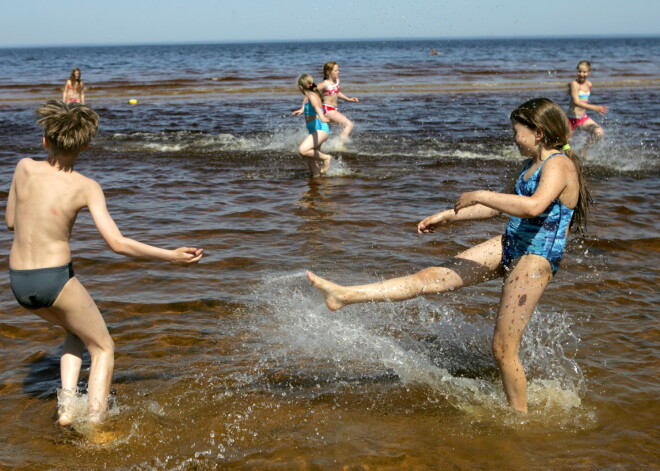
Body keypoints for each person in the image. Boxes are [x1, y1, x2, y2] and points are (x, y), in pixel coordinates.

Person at [307, 97, 592, 413]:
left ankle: (519, 419)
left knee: (502, 348)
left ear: (537, 132)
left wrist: (480, 193)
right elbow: (496, 207)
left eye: (517, 131)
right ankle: (344, 295)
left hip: (536, 259)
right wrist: (449, 215)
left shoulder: (559, 164)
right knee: (428, 278)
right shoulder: (530, 165)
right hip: (510, 242)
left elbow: (533, 206)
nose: (513, 138)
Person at [5, 100, 203, 426]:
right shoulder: (87, 187)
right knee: (103, 347)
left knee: (75, 330)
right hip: (54, 279)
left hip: (20, 282)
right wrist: (171, 255)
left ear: (45, 139)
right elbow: (118, 244)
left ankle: (68, 406)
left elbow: (11, 221)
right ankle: (95, 426)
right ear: (85, 144)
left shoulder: (23, 167)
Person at [291, 74, 332, 176]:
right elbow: (307, 103)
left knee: (302, 150)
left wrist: (322, 117)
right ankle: (317, 179)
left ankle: (326, 158)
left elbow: (316, 107)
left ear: (300, 87)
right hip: (315, 129)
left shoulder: (311, 96)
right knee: (311, 159)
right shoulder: (310, 95)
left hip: (320, 127)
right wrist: (302, 109)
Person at [567, 60, 608, 154]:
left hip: (582, 118)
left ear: (589, 72)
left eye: (584, 72)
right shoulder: (574, 84)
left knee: (599, 132)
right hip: (570, 119)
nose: (581, 74)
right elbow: (576, 102)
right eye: (579, 71)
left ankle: (583, 150)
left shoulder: (589, 84)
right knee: (567, 145)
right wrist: (595, 108)